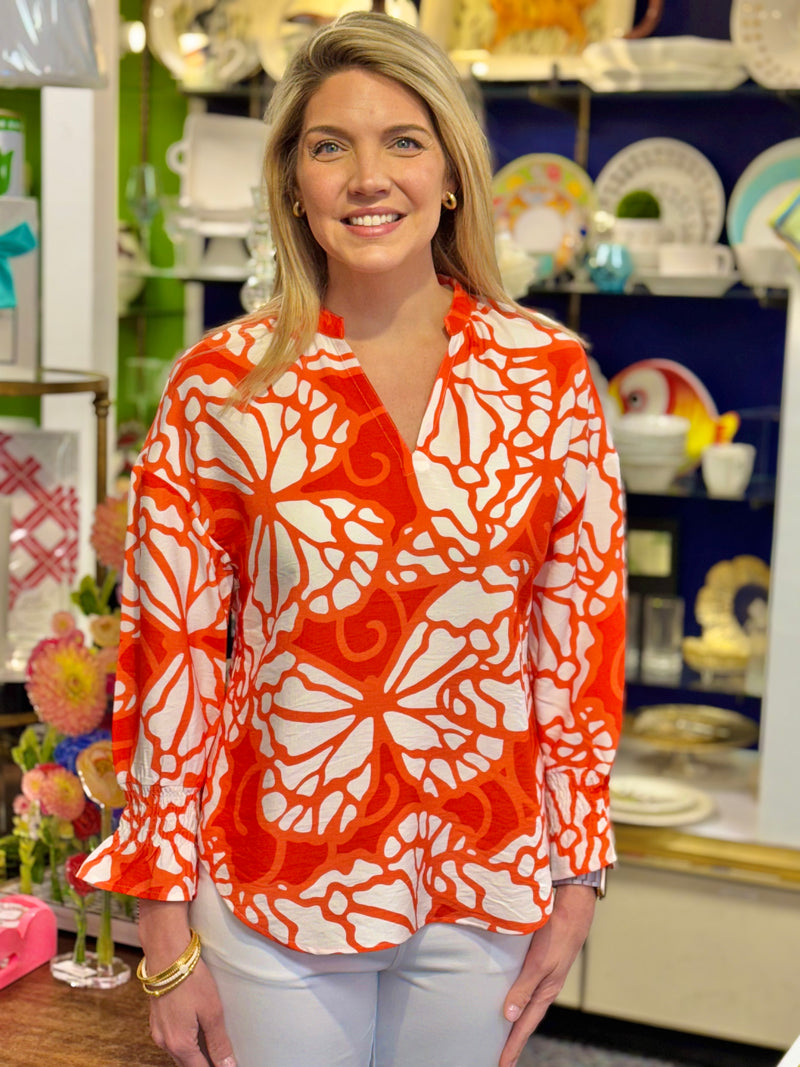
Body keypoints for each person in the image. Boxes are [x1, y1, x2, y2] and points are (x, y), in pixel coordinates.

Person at [80, 11, 626, 1067]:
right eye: (330, 145)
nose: (366, 175)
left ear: (452, 174)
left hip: (485, 879)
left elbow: (577, 650)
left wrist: (577, 875)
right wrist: (159, 931)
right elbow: (170, 663)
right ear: (292, 182)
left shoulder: (548, 375)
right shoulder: (221, 387)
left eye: (402, 142)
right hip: (270, 880)